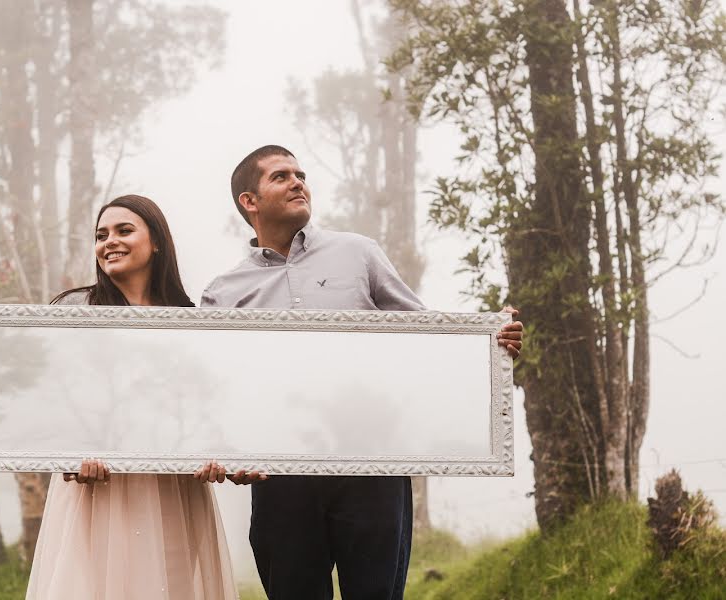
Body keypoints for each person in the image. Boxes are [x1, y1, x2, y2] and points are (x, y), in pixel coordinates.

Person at [197, 145, 524, 600]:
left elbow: (426, 336)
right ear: (249, 202)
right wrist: (225, 455)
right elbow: (217, 391)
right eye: (281, 176)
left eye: (301, 174)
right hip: (280, 482)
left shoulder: (359, 253)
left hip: (373, 469)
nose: (298, 182)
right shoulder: (222, 292)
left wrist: (490, 343)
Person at [26, 195, 237, 600]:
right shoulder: (74, 309)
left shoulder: (193, 322)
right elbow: (54, 404)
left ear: (156, 240)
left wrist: (212, 452)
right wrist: (69, 456)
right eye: (101, 235)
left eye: (124, 230)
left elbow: (203, 412)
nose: (110, 242)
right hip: (97, 488)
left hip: (172, 490)